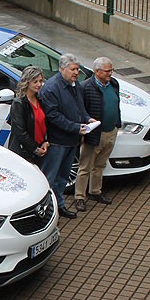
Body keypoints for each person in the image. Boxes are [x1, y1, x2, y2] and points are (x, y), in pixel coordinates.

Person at [38, 53, 98, 219]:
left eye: (78, 69)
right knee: (49, 178)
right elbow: (53, 116)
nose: (76, 72)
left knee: (63, 177)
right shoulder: (51, 88)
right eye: (73, 69)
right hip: (58, 142)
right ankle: (46, 212)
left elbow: (80, 108)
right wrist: (75, 127)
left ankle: (59, 205)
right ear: (62, 69)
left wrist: (87, 119)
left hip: (72, 140)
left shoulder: (75, 85)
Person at [76, 57, 121, 211]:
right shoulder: (85, 88)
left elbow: (116, 104)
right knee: (85, 167)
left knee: (100, 165)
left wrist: (117, 124)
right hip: (94, 135)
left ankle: (95, 191)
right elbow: (81, 111)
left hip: (111, 132)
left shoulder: (114, 84)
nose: (111, 73)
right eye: (107, 71)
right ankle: (79, 197)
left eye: (111, 70)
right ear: (97, 72)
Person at [8, 65, 49, 166]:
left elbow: (45, 124)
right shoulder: (19, 103)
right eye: (35, 81)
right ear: (27, 82)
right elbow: (20, 132)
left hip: (40, 149)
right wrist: (35, 149)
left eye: (40, 81)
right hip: (24, 152)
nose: (39, 84)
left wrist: (46, 142)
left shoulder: (40, 100)